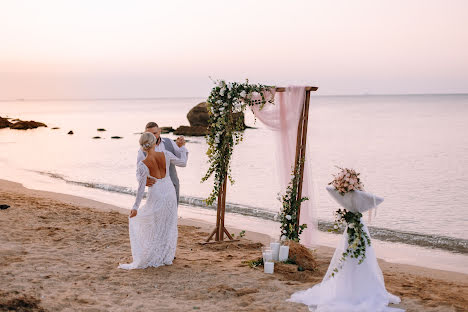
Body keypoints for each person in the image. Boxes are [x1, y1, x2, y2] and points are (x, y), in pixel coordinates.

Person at [119, 132, 188, 270]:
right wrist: (183, 148)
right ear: (155, 142)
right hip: (169, 192)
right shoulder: (166, 154)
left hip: (156, 192)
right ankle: (166, 256)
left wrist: (135, 207)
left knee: (154, 223)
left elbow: (140, 189)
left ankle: (157, 253)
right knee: (169, 224)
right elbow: (183, 162)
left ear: (143, 147)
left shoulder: (143, 164)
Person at [137, 122, 187, 204]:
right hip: (155, 188)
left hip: (172, 184)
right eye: (149, 134)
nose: (153, 136)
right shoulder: (141, 151)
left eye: (155, 133)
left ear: (160, 131)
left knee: (173, 211)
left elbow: (181, 161)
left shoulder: (170, 142)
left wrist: (181, 147)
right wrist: (142, 180)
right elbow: (139, 170)